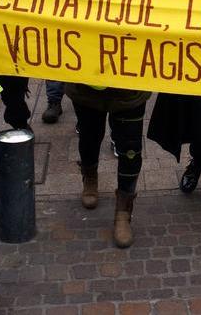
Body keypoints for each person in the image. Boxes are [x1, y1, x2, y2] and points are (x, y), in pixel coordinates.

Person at [64, 78, 150, 248]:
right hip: (86, 84)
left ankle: (123, 211)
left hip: (130, 84)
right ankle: (90, 177)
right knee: (89, 137)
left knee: (130, 149)